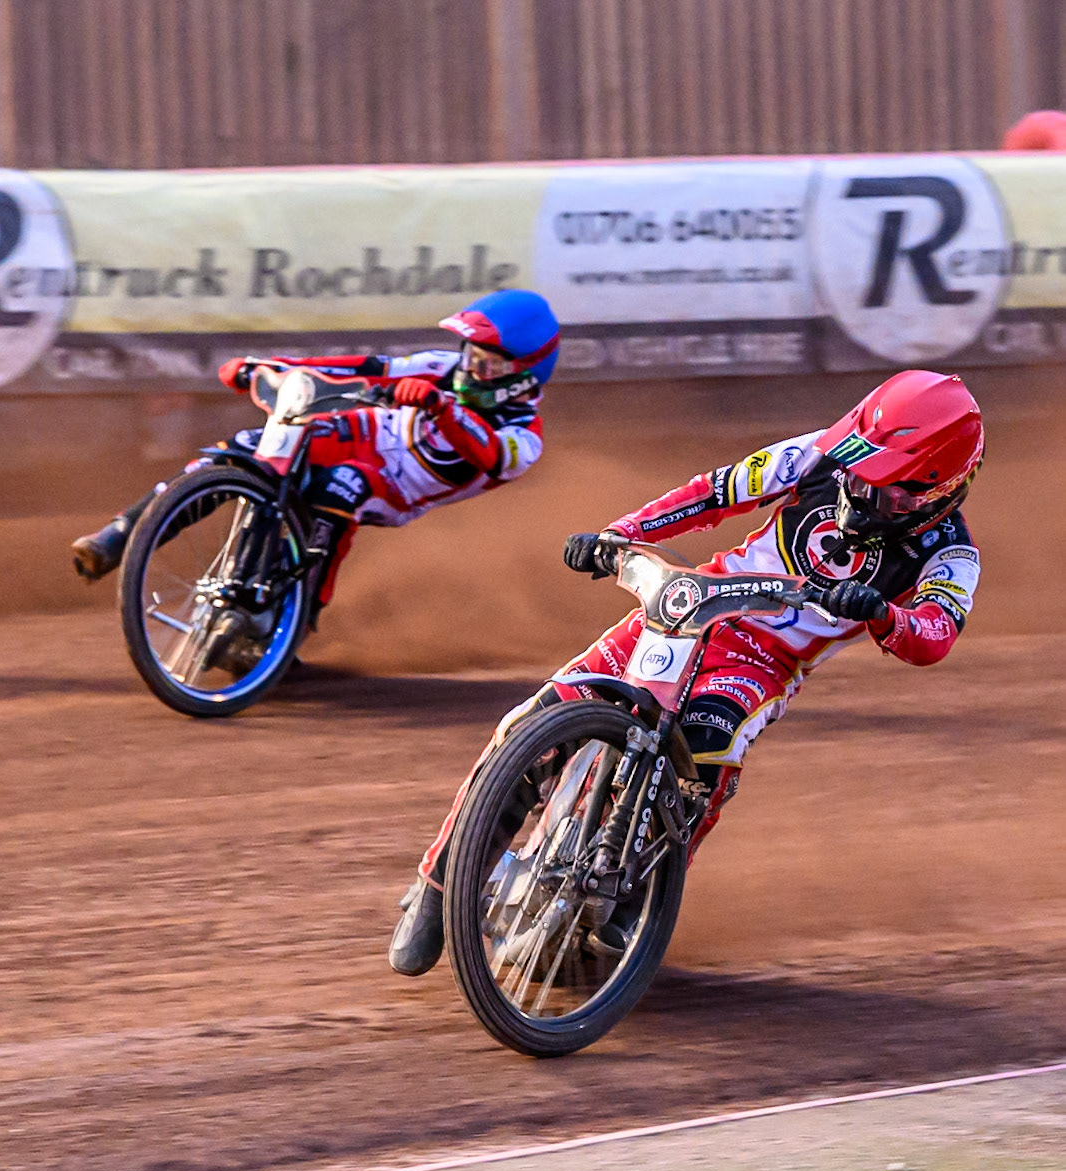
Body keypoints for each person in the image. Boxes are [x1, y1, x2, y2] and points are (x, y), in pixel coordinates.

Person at [389, 369, 985, 976]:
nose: (858, 492)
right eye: (856, 472)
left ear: (937, 492)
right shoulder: (819, 452)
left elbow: (936, 633)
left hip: (764, 661)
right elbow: (714, 492)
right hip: (693, 607)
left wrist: (885, 615)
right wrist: (620, 534)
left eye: (882, 490)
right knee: (532, 724)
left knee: (707, 752)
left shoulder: (952, 554)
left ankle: (634, 896)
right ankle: (438, 888)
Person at [70, 289, 561, 619]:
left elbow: (491, 455)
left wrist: (438, 406)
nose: (470, 368)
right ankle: (119, 536)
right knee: (244, 448)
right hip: (356, 431)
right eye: (470, 353)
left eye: (488, 362)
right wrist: (274, 367)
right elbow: (364, 367)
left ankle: (296, 624)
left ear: (524, 373)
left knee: (340, 487)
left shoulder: (526, 437)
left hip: (392, 489)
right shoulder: (441, 366)